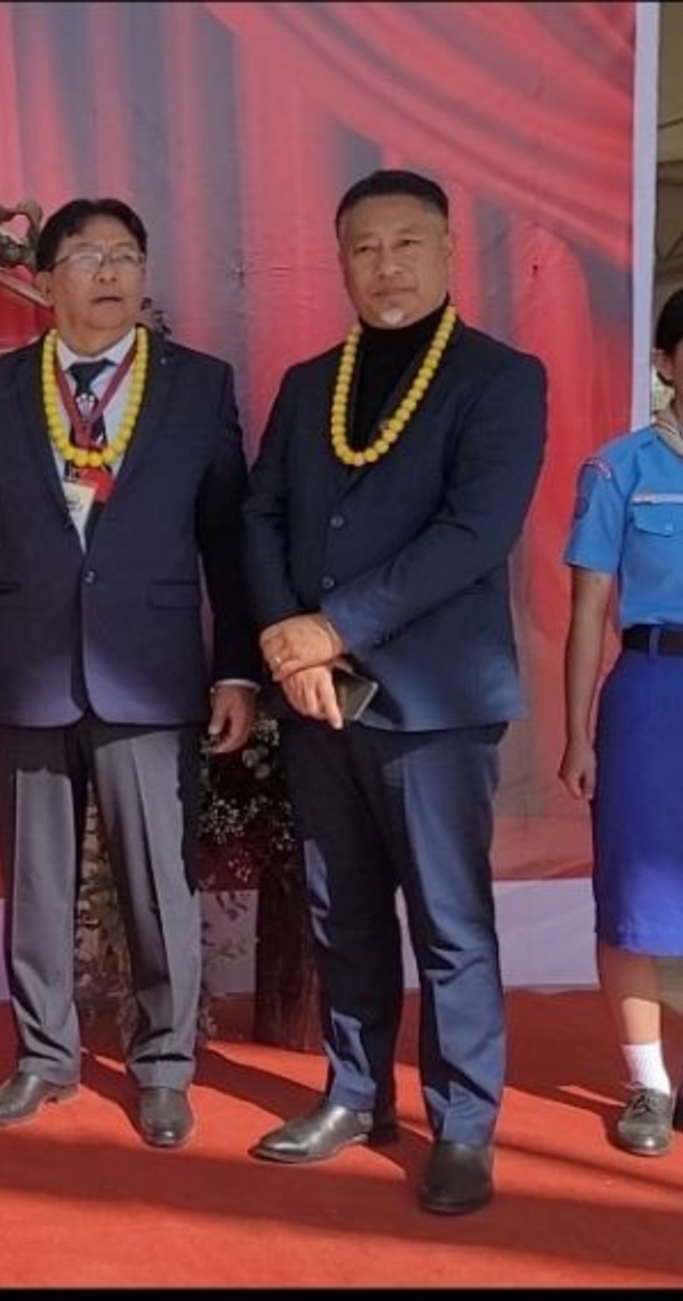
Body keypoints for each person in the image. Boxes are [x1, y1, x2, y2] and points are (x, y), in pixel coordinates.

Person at [242, 169, 548, 1215]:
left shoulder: (501, 379)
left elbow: (474, 534)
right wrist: (293, 649)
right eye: (364, 247)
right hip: (317, 698)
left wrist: (332, 628)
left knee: (450, 920)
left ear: (450, 251)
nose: (386, 266)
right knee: (343, 908)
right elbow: (261, 517)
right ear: (340, 261)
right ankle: (355, 1091)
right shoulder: (307, 384)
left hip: (434, 703)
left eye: (407, 243)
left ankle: (463, 1124)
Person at [0, 198, 258, 1150]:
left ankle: (164, 1065)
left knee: (159, 882)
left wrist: (237, 669)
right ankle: (43, 1054)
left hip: (151, 673)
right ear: (45, 281)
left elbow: (228, 538)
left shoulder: (198, 386)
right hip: (24, 670)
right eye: (86, 256)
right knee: (36, 883)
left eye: (125, 255)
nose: (109, 272)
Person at [560, 279, 683, 1161]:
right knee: (634, 898)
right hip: (653, 693)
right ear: (665, 364)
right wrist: (577, 733)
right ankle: (648, 1082)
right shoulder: (619, 469)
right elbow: (587, 613)